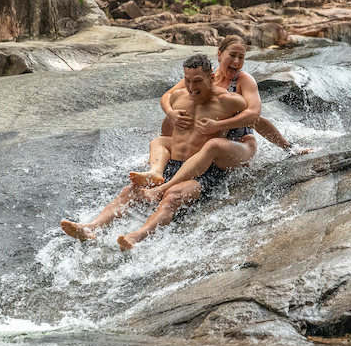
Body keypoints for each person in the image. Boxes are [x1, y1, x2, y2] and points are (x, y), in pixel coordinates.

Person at [60, 54, 247, 250]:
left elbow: (253, 117)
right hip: (174, 164)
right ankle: (92, 227)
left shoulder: (230, 101)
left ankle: (137, 236)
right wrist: (170, 114)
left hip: (202, 172)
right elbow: (166, 121)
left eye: (198, 81)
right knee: (130, 191)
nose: (192, 87)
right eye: (188, 80)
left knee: (173, 196)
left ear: (211, 78)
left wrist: (225, 129)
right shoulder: (179, 97)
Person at [128, 35, 309, 198]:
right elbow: (167, 96)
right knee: (174, 116)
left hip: (236, 139)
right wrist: (171, 113)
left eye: (241, 57)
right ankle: (165, 158)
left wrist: (219, 124)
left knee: (250, 120)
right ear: (220, 55)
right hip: (206, 137)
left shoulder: (244, 80)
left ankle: (289, 147)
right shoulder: (203, 75)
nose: (236, 61)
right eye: (232, 55)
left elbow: (255, 116)